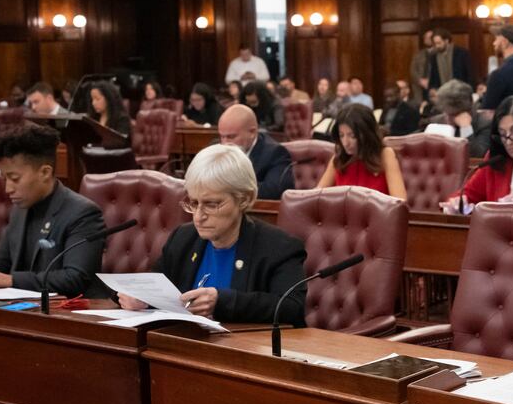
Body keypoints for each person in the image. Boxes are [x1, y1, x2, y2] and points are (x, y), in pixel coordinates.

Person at [119, 144, 308, 323]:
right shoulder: (184, 238)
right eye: (194, 203)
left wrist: (222, 302)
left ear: (244, 199)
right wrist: (140, 297)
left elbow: (291, 308)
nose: (199, 216)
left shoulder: (279, 247)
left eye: (211, 204)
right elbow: (155, 286)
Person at [0, 124, 107, 297]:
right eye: (4, 179)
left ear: (45, 172)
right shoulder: (20, 208)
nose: (8, 189)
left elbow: (75, 278)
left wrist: (10, 280)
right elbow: (0, 259)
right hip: (21, 307)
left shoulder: (83, 213)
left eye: (15, 179)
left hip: (67, 313)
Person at [315, 104, 406, 198]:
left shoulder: (385, 154)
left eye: (352, 136)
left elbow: (399, 202)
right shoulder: (339, 157)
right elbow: (316, 196)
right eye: (341, 135)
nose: (345, 143)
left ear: (367, 133)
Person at [217, 103, 291, 200]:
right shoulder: (215, 148)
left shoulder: (275, 153)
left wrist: (227, 185)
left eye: (231, 137)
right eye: (222, 136)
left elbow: (272, 192)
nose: (225, 143)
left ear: (252, 132)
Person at [429, 80, 491, 158]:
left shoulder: (484, 124)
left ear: (468, 110)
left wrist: (466, 128)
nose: (448, 118)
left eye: (454, 114)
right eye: (446, 112)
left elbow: (477, 155)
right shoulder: (436, 121)